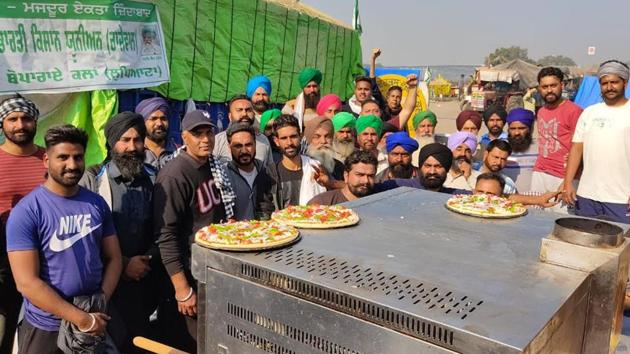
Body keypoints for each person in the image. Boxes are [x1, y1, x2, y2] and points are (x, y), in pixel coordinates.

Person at [7, 125, 122, 354]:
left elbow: (114, 258)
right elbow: (26, 282)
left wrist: (98, 305)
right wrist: (81, 318)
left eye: (78, 157)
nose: (72, 165)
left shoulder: (96, 204)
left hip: (95, 320)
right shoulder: (27, 211)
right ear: (46, 160)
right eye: (63, 157)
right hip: (47, 328)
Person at [79, 112, 160, 353]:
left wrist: (145, 260)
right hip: (106, 284)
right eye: (124, 140)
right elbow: (86, 238)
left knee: (142, 341)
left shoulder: (154, 177)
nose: (132, 147)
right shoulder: (93, 180)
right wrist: (124, 264)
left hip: (146, 277)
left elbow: (163, 227)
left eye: (137, 140)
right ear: (112, 142)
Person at [153, 110, 233, 352]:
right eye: (197, 134)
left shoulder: (212, 166)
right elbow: (165, 235)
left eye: (209, 132)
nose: (205, 139)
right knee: (192, 342)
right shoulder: (175, 175)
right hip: (190, 274)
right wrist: (182, 289)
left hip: (213, 269)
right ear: (184, 137)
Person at [0, 95, 46, 353]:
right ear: (3, 124)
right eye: (13, 119)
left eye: (26, 118)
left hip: (46, 261)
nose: (20, 125)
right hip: (3, 263)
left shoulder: (50, 159)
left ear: (35, 121)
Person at [563, 60, 630, 224]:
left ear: (625, 83)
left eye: (614, 82)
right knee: (586, 244)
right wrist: (567, 183)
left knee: (621, 246)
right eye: (604, 83)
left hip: (621, 198)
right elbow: (576, 149)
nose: (609, 87)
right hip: (587, 195)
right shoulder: (589, 113)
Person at [532, 67, 583, 213]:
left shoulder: (575, 111)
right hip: (540, 172)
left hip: (563, 176)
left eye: (553, 85)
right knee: (535, 218)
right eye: (545, 87)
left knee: (561, 222)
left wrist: (568, 181)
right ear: (539, 88)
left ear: (562, 85)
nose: (549, 90)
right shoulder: (541, 111)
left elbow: (580, 149)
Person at [268, 115, 328, 208]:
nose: (289, 143)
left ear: (300, 136)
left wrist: (329, 183)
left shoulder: (316, 167)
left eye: (293, 136)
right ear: (276, 141)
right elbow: (265, 208)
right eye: (284, 138)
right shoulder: (270, 174)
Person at [224, 123, 275, 221]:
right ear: (229, 147)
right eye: (238, 146)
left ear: (255, 144)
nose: (244, 151)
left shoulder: (266, 172)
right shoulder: (224, 177)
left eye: (248, 145)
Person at [213, 94, 272, 167]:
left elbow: (269, 170)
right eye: (239, 110)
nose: (244, 114)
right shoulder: (217, 141)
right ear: (230, 116)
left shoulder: (263, 140)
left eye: (248, 110)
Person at [308, 150, 378, 205]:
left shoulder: (380, 201)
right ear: (346, 175)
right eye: (360, 175)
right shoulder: (323, 203)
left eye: (370, 176)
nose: (366, 181)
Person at [135, 97, 177, 170]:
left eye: (163, 119)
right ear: (142, 122)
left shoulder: (178, 152)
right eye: (153, 119)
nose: (159, 123)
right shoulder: (134, 153)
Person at [503, 107, 538, 192]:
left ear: (530, 129)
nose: (517, 133)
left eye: (522, 128)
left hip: (534, 200)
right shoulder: (500, 147)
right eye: (513, 129)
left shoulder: (540, 148)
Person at [303, 116, 345, 180]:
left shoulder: (339, 166)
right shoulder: (302, 165)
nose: (323, 141)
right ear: (309, 140)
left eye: (327, 136)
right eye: (317, 137)